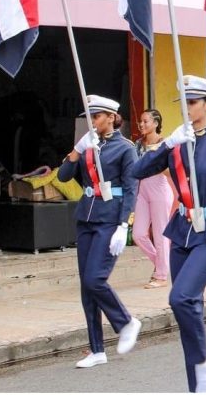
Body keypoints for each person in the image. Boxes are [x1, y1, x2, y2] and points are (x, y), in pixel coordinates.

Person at [132, 76, 206, 392]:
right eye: (184, 101)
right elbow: (137, 172)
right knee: (188, 306)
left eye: (192, 102)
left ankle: (204, 363)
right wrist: (167, 143)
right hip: (182, 231)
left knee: (179, 296)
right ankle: (198, 383)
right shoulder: (177, 142)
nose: (187, 107)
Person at [57, 95, 142, 368]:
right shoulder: (89, 147)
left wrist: (123, 225)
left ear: (111, 117)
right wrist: (77, 150)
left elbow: (131, 188)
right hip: (87, 218)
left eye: (95, 117)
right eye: (89, 118)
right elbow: (63, 176)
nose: (91, 123)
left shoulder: (126, 148)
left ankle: (126, 322)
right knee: (86, 287)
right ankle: (97, 349)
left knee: (95, 279)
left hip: (109, 220)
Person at [133, 109, 174, 289]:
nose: (141, 125)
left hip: (160, 188)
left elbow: (172, 170)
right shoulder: (137, 145)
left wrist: (153, 165)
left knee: (160, 233)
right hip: (142, 189)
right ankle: (161, 264)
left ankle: (161, 275)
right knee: (139, 234)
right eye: (140, 121)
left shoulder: (165, 144)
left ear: (156, 123)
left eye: (145, 121)